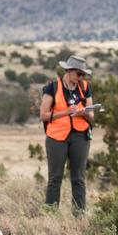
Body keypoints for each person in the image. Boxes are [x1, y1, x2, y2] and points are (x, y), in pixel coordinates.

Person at [39, 55, 94, 213]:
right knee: (55, 178)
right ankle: (50, 214)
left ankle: (79, 215)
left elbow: (91, 115)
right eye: (79, 74)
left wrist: (83, 112)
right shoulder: (52, 87)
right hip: (57, 137)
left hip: (80, 136)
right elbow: (43, 115)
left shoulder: (84, 87)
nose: (81, 77)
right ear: (69, 71)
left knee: (78, 178)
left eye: (83, 75)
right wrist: (65, 113)